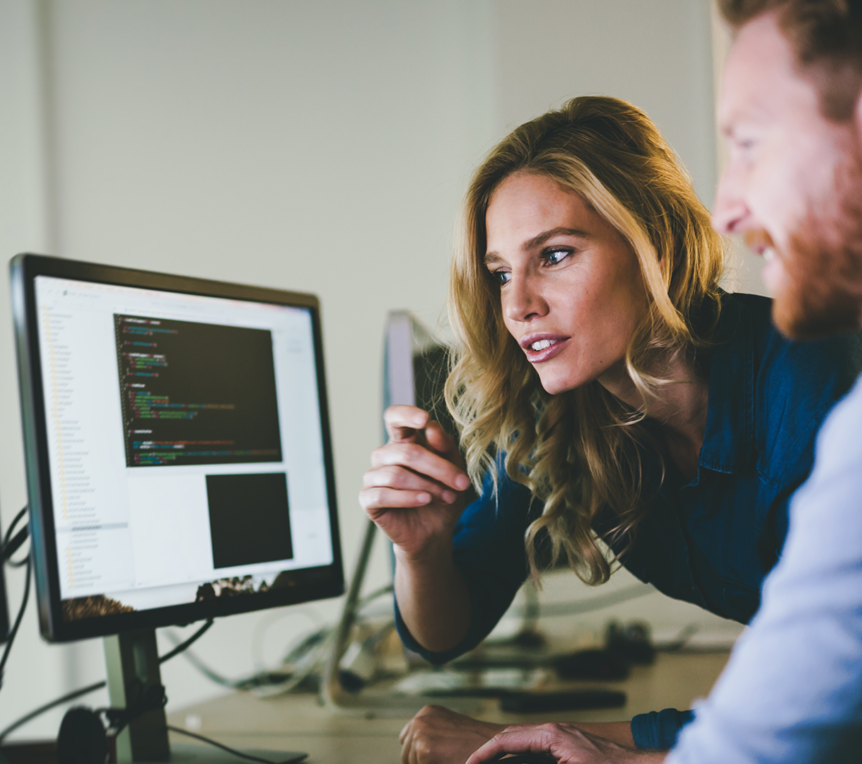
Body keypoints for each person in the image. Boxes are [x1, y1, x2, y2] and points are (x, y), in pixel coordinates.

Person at [359, 94, 861, 764]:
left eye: (556, 255)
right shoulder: (559, 417)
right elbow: (444, 633)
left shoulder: (815, 380)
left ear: (654, 241)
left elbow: (827, 712)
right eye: (500, 273)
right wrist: (420, 551)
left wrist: (622, 755)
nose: (518, 305)